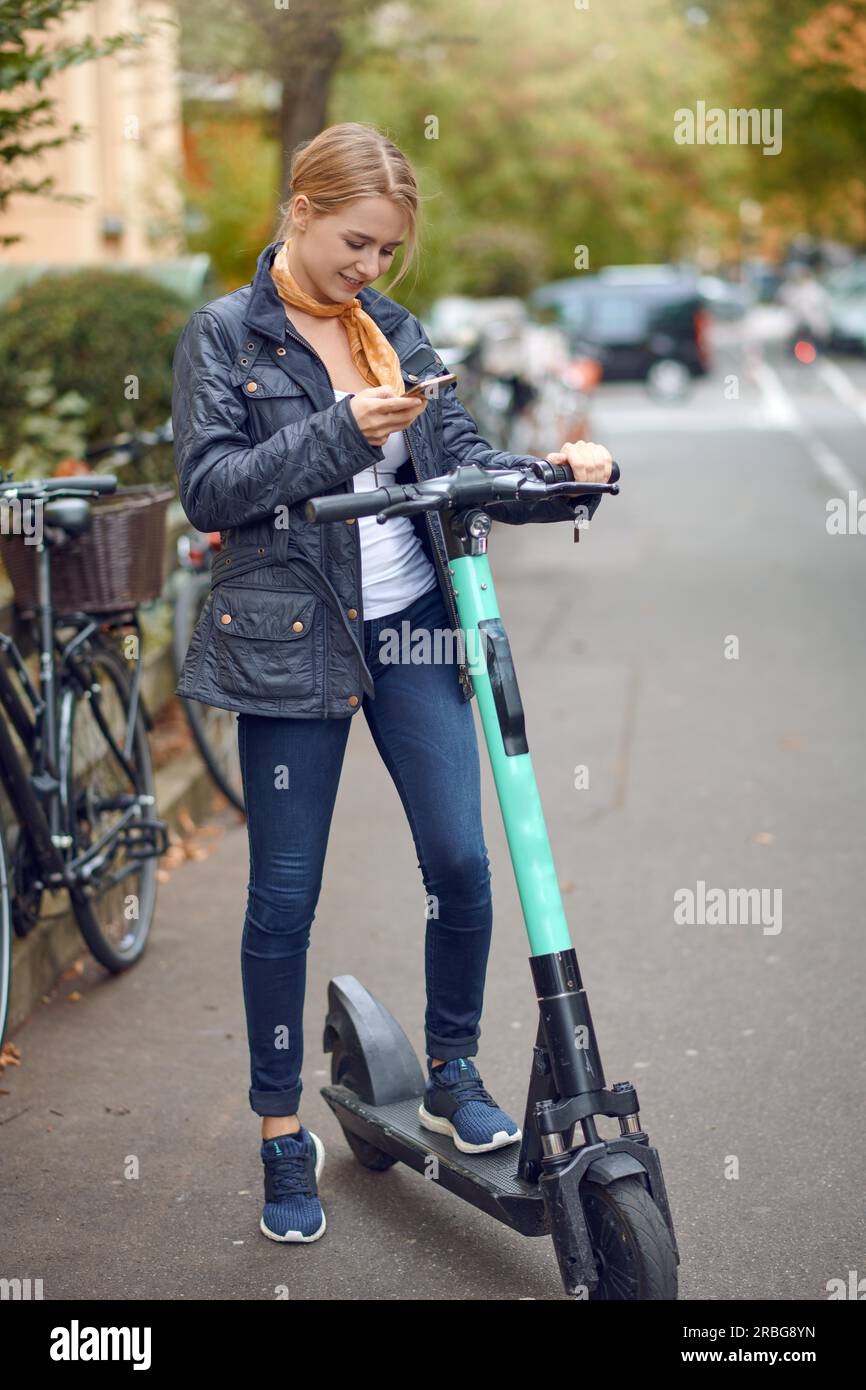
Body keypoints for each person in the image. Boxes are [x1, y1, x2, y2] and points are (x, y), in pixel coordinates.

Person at [171, 121, 614, 1245]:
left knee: (461, 861)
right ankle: (281, 1134)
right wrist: (335, 433)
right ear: (303, 208)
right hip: (287, 637)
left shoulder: (393, 332)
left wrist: (558, 477)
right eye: (356, 244)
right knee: (282, 898)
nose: (370, 271)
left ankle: (453, 1065)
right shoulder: (224, 336)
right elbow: (212, 490)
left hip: (414, 621)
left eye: (387, 255)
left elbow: (460, 461)